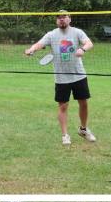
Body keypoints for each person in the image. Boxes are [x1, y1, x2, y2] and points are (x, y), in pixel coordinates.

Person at [24, 10, 96, 146]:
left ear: (70, 19)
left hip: (78, 74)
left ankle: (83, 129)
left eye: (64, 17)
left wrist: (83, 49)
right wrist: (31, 49)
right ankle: (65, 135)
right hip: (61, 77)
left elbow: (89, 43)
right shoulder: (51, 35)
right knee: (63, 106)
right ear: (56, 20)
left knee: (84, 103)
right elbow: (39, 44)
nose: (61, 19)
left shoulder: (77, 32)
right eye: (59, 17)